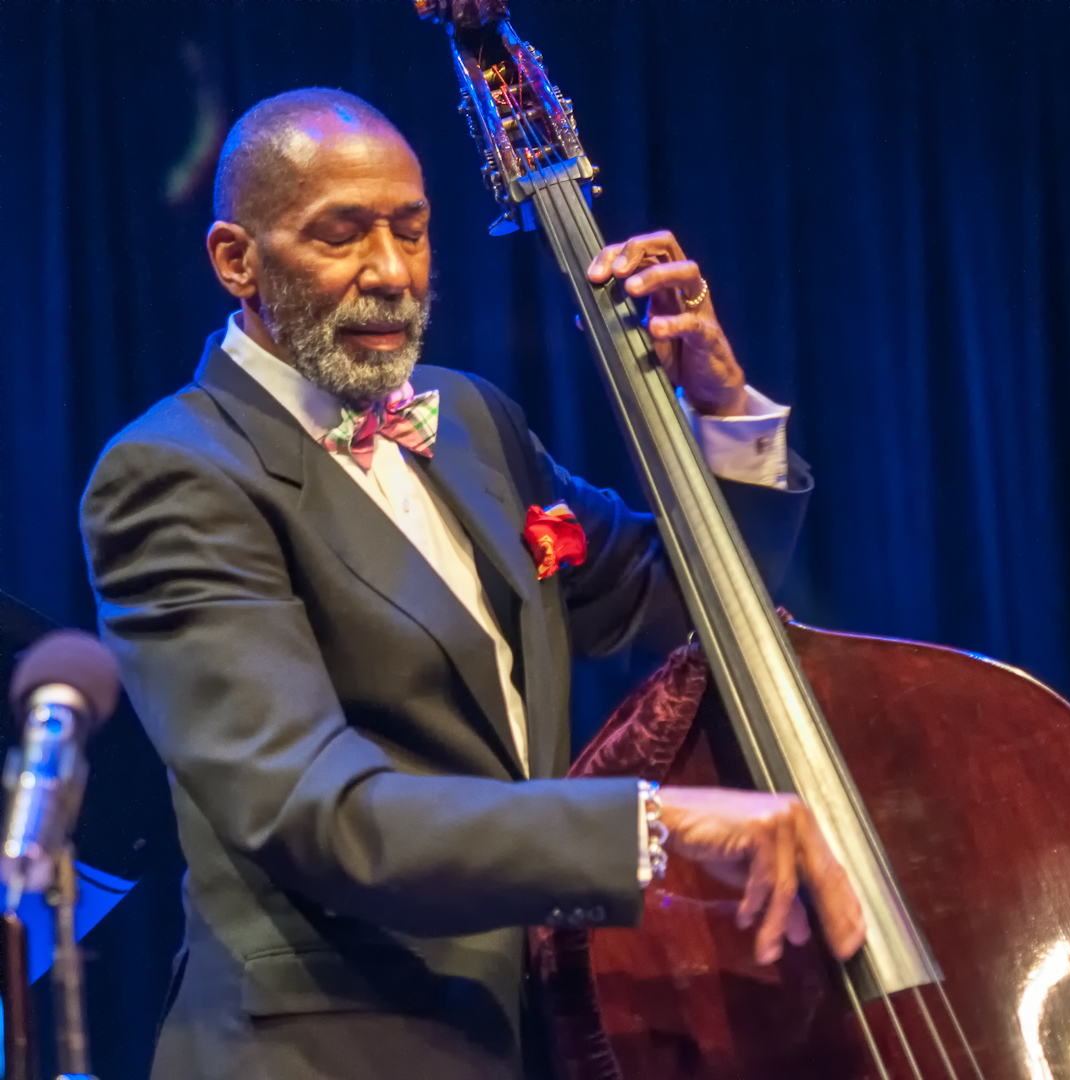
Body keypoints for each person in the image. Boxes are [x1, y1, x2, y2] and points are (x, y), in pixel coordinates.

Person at [80, 88, 864, 1080]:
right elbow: (312, 810)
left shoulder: (469, 420)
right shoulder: (176, 471)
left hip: (530, 1035)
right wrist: (651, 823)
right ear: (237, 260)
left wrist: (720, 409)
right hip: (329, 1047)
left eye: (413, 231)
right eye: (342, 236)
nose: (393, 273)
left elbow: (683, 599)